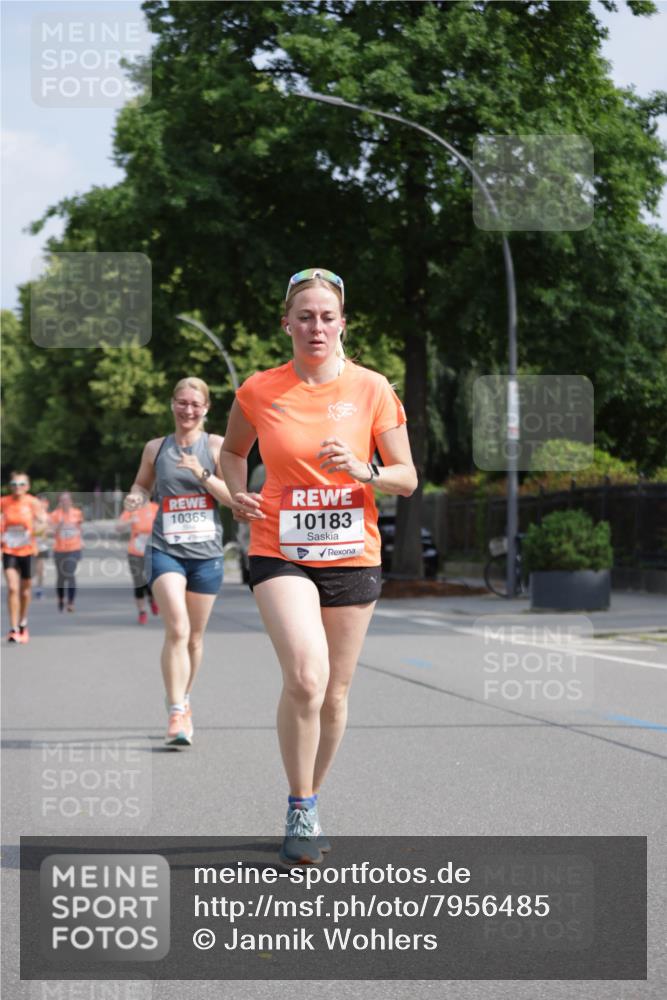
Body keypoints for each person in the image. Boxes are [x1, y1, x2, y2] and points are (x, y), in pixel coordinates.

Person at [220, 267, 417, 864]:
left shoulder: (372, 388)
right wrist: (237, 495)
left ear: (342, 324)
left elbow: (407, 478)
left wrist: (366, 472)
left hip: (352, 552)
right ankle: (300, 805)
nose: (316, 326)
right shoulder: (258, 390)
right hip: (278, 546)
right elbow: (232, 452)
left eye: (327, 316)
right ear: (287, 323)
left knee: (334, 693)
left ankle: (311, 797)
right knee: (306, 676)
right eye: (304, 315)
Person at [124, 377, 233, 747]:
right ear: (172, 404)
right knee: (178, 628)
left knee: (196, 638)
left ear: (206, 409)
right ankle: (175, 711)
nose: (188, 410)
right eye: (182, 403)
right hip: (164, 548)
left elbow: (233, 497)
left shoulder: (216, 446)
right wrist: (135, 497)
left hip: (206, 554)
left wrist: (200, 472)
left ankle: (184, 699)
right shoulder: (156, 448)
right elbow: (142, 484)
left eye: (195, 404)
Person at [1, 472, 46, 643]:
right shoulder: (4, 502)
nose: (17, 487)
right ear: (9, 486)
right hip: (9, 550)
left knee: (25, 591)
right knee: (13, 588)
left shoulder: (33, 502)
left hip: (28, 550)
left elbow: (43, 521)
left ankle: (23, 623)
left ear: (27, 487)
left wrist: (38, 527)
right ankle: (13, 629)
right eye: (14, 484)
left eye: (21, 484)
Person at [116, 500, 160, 624]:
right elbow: (118, 527)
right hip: (135, 552)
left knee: (151, 580)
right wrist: (130, 521)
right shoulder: (132, 509)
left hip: (153, 551)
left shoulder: (155, 508)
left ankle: (153, 599)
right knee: (139, 581)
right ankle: (142, 612)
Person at [50, 492, 84, 612]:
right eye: (62, 500)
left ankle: (70, 602)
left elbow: (79, 528)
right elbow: (51, 531)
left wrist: (82, 540)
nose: (65, 502)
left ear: (71, 501)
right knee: (61, 577)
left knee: (70, 574)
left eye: (67, 500)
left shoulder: (77, 513)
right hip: (59, 549)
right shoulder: (54, 514)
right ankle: (60, 598)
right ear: (59, 502)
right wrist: (59, 526)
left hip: (74, 548)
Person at [33, 495, 51, 598]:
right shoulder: (31, 515)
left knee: (40, 568)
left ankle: (39, 588)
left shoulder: (48, 516)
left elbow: (50, 530)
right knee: (31, 569)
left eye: (43, 503)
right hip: (30, 545)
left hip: (42, 546)